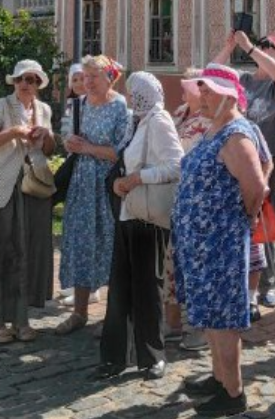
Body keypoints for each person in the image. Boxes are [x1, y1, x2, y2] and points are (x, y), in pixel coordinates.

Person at [173, 64, 268, 418]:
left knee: (224, 320)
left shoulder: (236, 134)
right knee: (211, 318)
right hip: (203, 244)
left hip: (220, 244)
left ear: (228, 94)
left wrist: (239, 220)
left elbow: (257, 187)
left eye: (209, 89)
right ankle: (217, 378)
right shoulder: (218, 128)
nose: (203, 94)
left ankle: (233, 392)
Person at [94, 72, 184, 381]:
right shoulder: (138, 121)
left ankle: (152, 357)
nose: (130, 98)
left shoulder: (159, 121)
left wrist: (136, 178)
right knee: (119, 288)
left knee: (148, 287)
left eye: (135, 93)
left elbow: (176, 165)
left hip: (148, 216)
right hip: (128, 212)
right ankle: (114, 358)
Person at [0, 59, 55, 344]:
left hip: (31, 189)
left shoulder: (43, 110)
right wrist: (14, 132)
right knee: (1, 252)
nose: (26, 84)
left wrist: (46, 136)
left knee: (26, 252)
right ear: (14, 82)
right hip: (2, 186)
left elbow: (48, 148)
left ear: (38, 85)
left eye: (32, 80)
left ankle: (21, 320)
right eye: (22, 79)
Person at [214, 30, 275, 310]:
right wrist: (228, 48)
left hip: (271, 159)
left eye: (270, 47)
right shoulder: (245, 80)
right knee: (239, 215)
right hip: (239, 159)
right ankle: (240, 280)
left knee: (265, 215)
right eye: (262, 45)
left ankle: (269, 283)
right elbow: (212, 75)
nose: (263, 50)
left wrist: (249, 48)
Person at [56, 55, 130, 335]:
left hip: (107, 186)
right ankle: (79, 312)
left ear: (109, 78)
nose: (87, 82)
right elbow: (69, 139)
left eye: (93, 77)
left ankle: (111, 317)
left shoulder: (119, 107)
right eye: (84, 77)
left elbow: (121, 152)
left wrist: (87, 148)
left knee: (110, 245)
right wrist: (70, 144)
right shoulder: (78, 105)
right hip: (81, 185)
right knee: (80, 243)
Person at [166, 68, 214, 352]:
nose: (183, 90)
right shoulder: (182, 112)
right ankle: (171, 323)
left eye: (189, 86)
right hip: (175, 199)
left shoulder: (208, 121)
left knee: (198, 267)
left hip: (199, 203)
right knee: (172, 262)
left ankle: (200, 328)